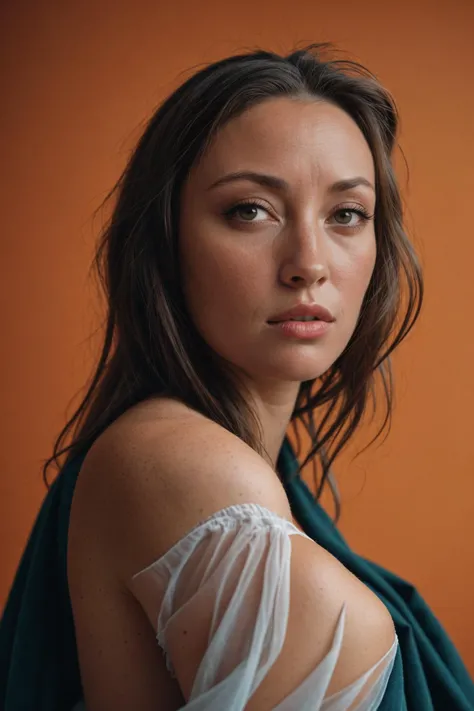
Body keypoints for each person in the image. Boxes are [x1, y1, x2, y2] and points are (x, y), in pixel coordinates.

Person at [0, 43, 473, 711]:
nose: (309, 263)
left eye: (346, 214)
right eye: (250, 209)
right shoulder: (183, 465)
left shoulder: (232, 467)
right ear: (165, 241)